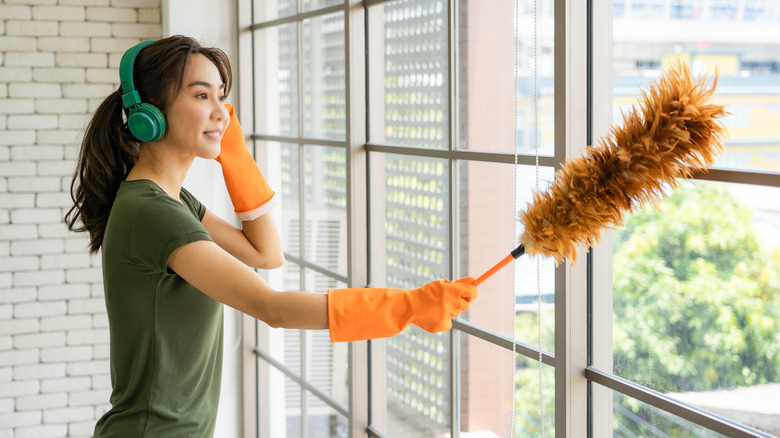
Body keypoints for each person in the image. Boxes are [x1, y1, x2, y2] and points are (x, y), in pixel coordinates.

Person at [64, 35, 478, 437]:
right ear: (149, 113)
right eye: (201, 95)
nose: (222, 111)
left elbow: (266, 253)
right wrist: (407, 306)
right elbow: (273, 308)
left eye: (221, 96)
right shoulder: (152, 212)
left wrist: (235, 156)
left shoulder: (171, 201)